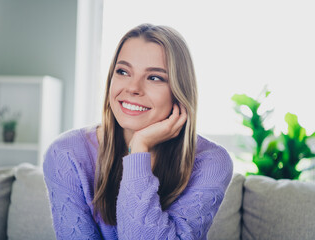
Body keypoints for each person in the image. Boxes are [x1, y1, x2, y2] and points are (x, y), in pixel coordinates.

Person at [43, 23, 233, 239]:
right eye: (123, 71)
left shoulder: (211, 162)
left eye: (154, 77)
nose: (133, 88)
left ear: (179, 91)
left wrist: (139, 149)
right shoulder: (67, 154)